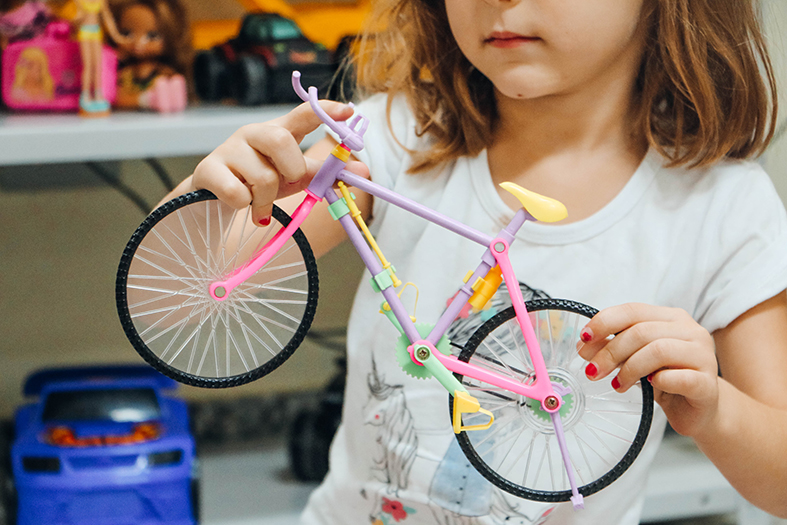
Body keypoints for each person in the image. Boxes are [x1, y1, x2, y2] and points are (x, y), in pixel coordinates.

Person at [159, 0, 787, 523]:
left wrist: (716, 409)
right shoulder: (392, 137)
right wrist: (210, 197)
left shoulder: (722, 206)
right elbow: (169, 299)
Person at [109, 0, 191, 113]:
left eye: (152, 36)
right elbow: (114, 96)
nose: (137, 44)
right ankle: (150, 99)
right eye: (126, 33)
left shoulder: (162, 71)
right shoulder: (125, 73)